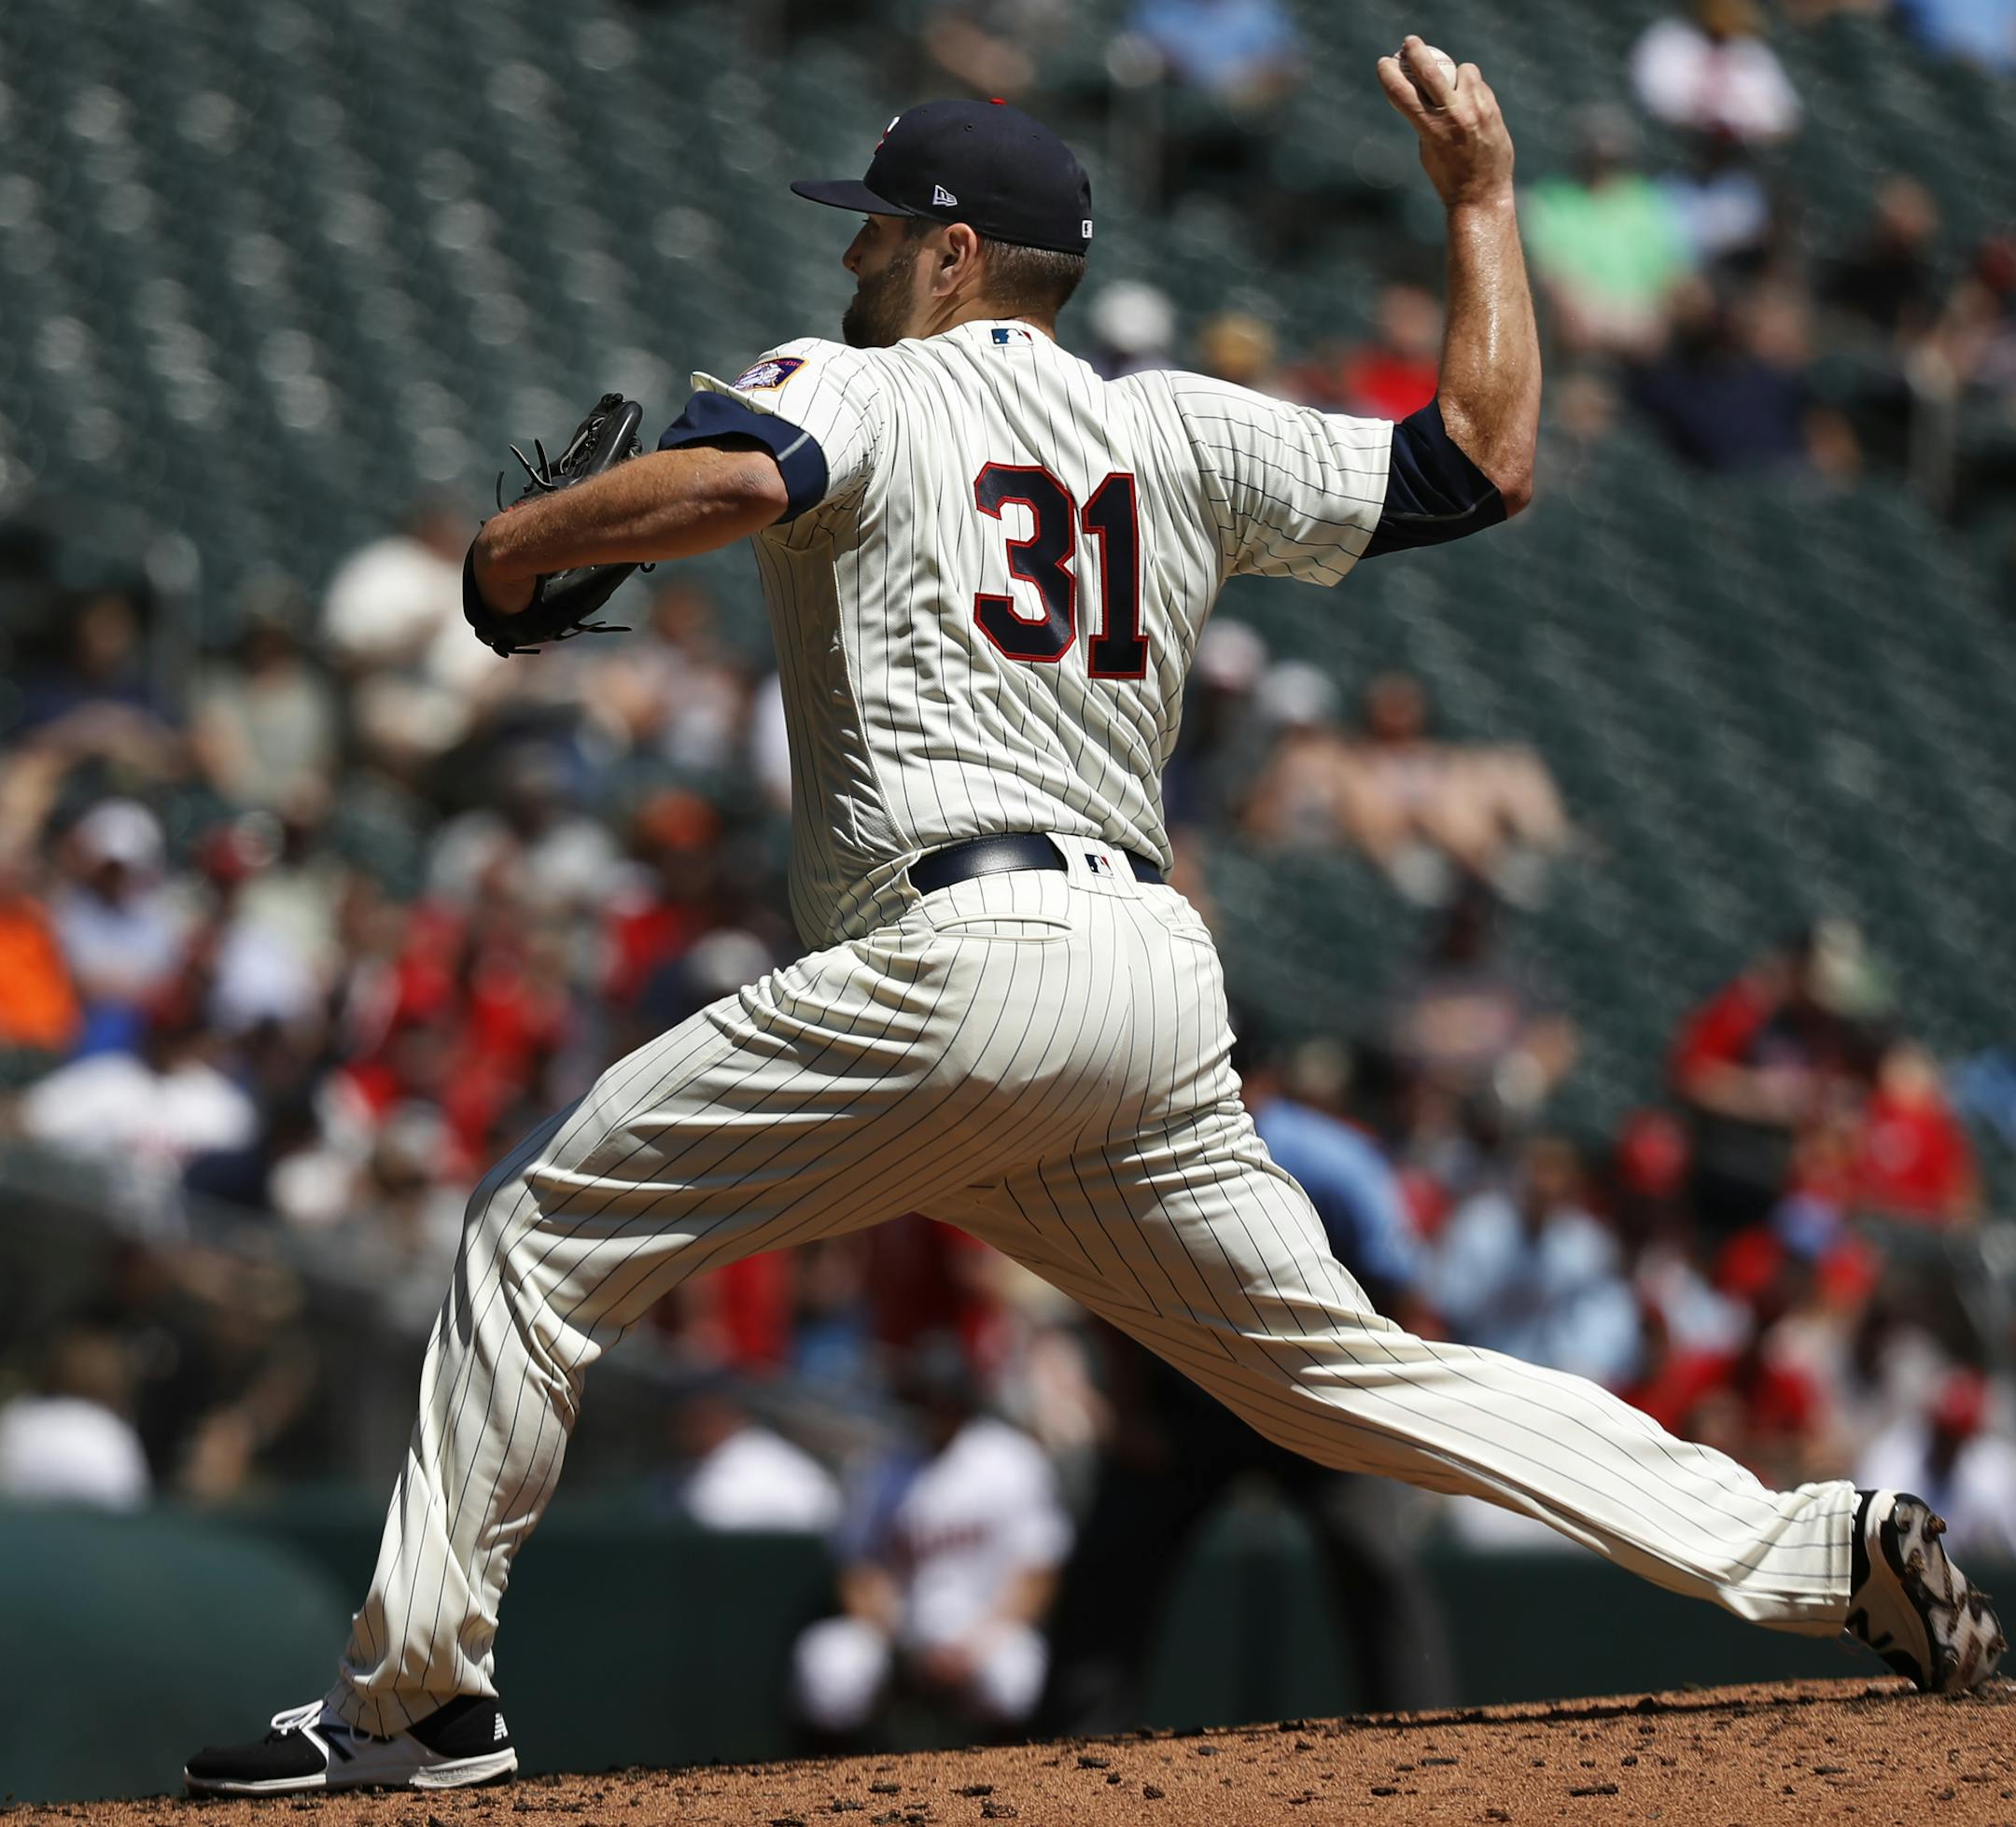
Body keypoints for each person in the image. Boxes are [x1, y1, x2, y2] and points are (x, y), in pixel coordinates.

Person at [186, 51, 1999, 1798]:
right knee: (1350, 1375)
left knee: (532, 1237)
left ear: (955, 253)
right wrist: (1483, 203)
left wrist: (515, 550)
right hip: (1143, 987)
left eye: (878, 228)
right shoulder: (1176, 425)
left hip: (962, 965)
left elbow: (743, 480)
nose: (851, 255)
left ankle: (416, 1699)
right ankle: (1811, 1543)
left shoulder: (857, 379)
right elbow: (1481, 461)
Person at [791, 1343, 1068, 1737]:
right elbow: (857, 1572)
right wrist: (902, 1644)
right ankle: (832, 1787)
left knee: (1016, 1677)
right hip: (897, 1634)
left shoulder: (1012, 1460)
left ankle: (1016, 1785)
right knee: (830, 1670)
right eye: (927, 1397)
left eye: (945, 1397)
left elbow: (1038, 1571)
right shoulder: (880, 1467)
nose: (936, 1408)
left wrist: (977, 1644)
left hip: (987, 1629)